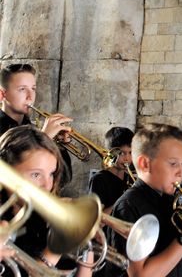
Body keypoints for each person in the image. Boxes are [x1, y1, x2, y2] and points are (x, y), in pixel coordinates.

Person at [109, 123, 182, 277]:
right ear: (145, 164)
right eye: (173, 163)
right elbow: (140, 275)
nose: (181, 172)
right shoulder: (128, 206)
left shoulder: (170, 201)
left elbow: (181, 271)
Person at [0, 125, 92, 276]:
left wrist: (88, 246)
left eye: (51, 174)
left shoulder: (39, 216)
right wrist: (53, 252)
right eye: (36, 175)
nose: (47, 185)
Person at [0, 63, 74, 186]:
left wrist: (58, 145)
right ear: (2, 94)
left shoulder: (33, 129)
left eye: (33, 89)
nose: (30, 97)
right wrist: (44, 139)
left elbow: (64, 178)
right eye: (22, 89)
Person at [88, 127, 135, 214]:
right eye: (121, 153)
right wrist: (123, 201)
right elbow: (97, 220)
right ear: (110, 153)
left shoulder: (131, 180)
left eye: (130, 153)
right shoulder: (99, 180)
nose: (127, 158)